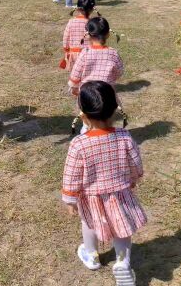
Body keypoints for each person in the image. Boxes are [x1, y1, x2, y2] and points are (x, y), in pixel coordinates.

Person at [62, 81, 145, 284]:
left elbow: (71, 175)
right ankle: (123, 262)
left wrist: (69, 199)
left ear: (82, 114)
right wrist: (133, 179)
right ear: (115, 111)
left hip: (91, 198)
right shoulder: (124, 136)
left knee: (89, 223)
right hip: (120, 193)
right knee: (122, 228)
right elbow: (135, 163)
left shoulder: (79, 144)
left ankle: (91, 255)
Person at [60, 0, 97, 71]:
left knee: (76, 75)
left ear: (77, 8)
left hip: (74, 55)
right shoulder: (92, 23)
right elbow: (96, 39)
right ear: (92, 9)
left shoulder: (71, 22)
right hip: (89, 55)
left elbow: (66, 38)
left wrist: (66, 50)